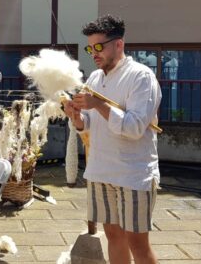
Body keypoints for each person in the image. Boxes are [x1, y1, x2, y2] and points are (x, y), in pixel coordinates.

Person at [63, 15, 161, 264]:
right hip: (101, 170)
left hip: (133, 173)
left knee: (137, 244)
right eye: (90, 47)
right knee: (113, 236)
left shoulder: (141, 76)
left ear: (119, 44)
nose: (94, 53)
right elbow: (87, 126)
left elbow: (135, 128)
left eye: (99, 46)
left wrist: (99, 104)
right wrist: (75, 116)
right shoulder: (95, 78)